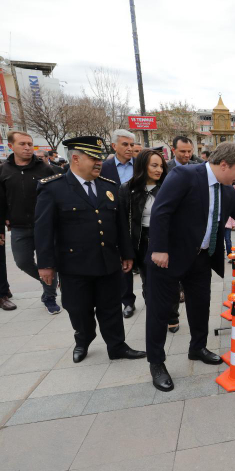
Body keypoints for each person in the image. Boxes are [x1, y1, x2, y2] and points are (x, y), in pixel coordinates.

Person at [144, 142, 235, 391]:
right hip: (168, 257)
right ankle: (157, 363)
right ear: (224, 165)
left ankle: (197, 347)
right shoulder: (184, 176)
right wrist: (159, 248)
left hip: (202, 257)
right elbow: (161, 211)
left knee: (200, 305)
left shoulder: (228, 191)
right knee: (159, 312)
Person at [35, 136, 145, 363]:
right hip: (74, 266)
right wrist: (45, 265)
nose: (99, 163)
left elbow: (120, 225)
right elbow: (43, 230)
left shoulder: (109, 186)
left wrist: (126, 253)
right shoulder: (53, 188)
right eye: (93, 158)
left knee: (111, 307)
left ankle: (117, 346)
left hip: (107, 261)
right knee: (78, 309)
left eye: (100, 158)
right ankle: (83, 339)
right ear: (75, 158)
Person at [119, 149, 181, 334]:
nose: (159, 170)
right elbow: (123, 222)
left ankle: (173, 315)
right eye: (154, 165)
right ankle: (156, 315)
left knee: (171, 282)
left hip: (167, 240)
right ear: (142, 166)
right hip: (142, 242)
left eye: (161, 166)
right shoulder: (127, 189)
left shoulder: (168, 187)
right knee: (149, 284)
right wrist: (126, 252)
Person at [0, 131, 60, 314]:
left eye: (29, 144)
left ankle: (49, 297)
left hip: (44, 226)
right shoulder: (4, 170)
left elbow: (57, 195)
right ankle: (52, 281)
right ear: (11, 146)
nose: (27, 148)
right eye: (22, 144)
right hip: (18, 227)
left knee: (47, 263)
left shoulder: (44, 168)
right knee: (22, 262)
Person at [101, 129, 138, 318]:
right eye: (125, 144)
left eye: (132, 145)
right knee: (125, 262)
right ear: (114, 146)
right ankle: (128, 301)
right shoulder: (104, 168)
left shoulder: (140, 165)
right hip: (116, 220)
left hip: (139, 220)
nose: (129, 148)